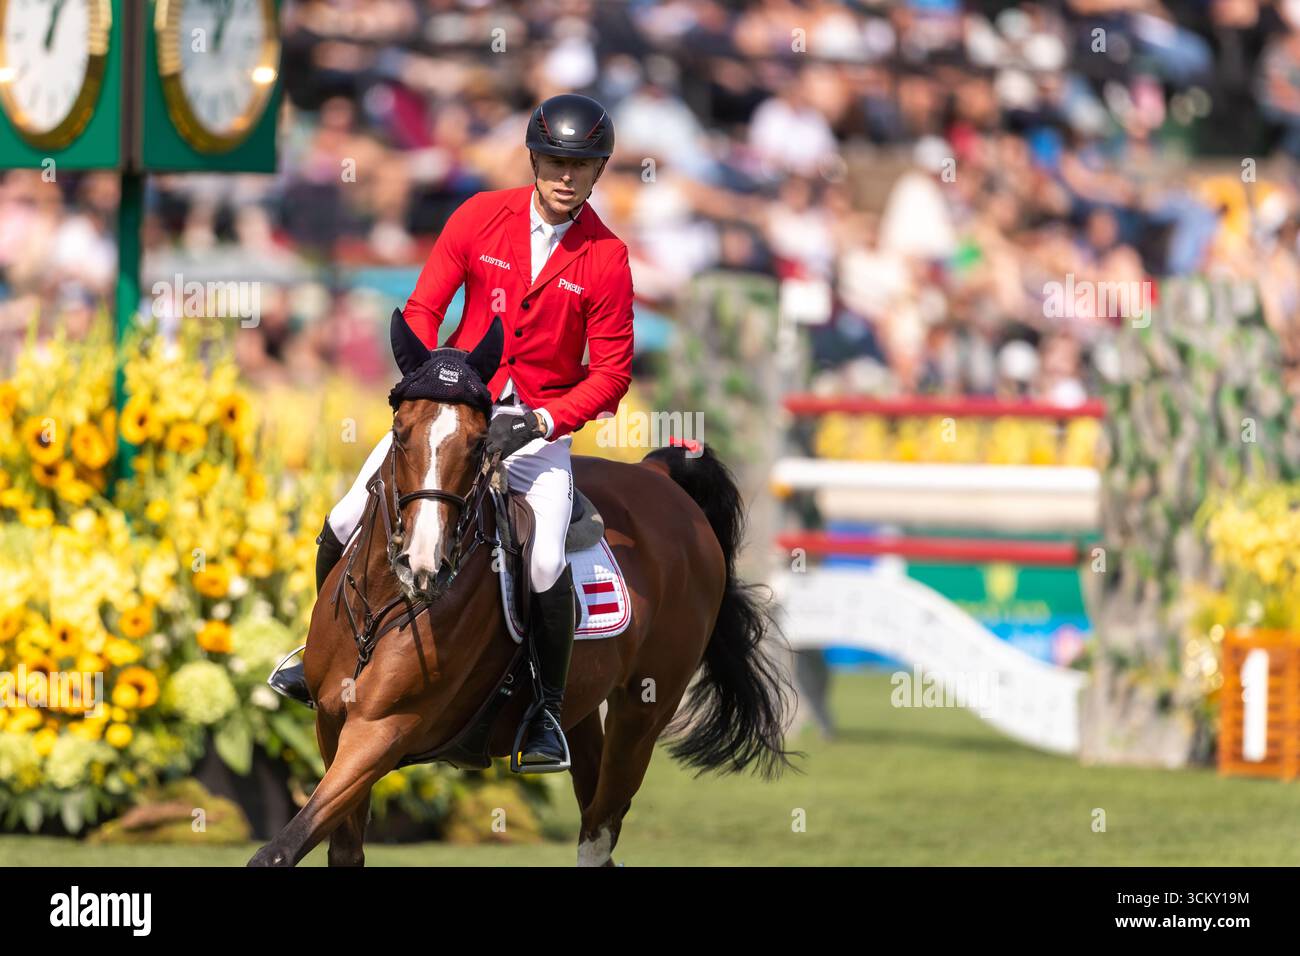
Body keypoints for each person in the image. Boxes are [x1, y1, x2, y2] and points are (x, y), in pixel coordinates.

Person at [269, 93, 635, 774]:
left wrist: (546, 421)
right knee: (346, 516)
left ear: (598, 171)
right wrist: (429, 379)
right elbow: (424, 305)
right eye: (554, 160)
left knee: (548, 560)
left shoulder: (606, 258)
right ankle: (314, 655)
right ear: (534, 160)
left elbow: (611, 372)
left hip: (537, 434)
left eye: (580, 165)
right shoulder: (477, 218)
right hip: (455, 411)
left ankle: (546, 711)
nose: (564, 176)